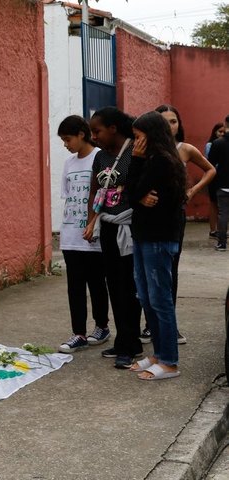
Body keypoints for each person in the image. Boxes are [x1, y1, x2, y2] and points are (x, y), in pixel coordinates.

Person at [147, 105, 215, 345]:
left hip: (174, 217)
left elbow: (210, 169)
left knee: (169, 271)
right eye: (164, 121)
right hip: (146, 218)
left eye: (174, 121)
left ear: (179, 124)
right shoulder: (146, 149)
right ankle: (149, 324)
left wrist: (193, 190)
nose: (170, 126)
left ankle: (169, 325)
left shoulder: (184, 149)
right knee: (146, 273)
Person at [127, 111, 187, 380]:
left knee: (160, 300)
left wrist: (137, 170)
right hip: (143, 236)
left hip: (158, 239)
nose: (135, 142)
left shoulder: (162, 161)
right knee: (146, 297)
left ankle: (170, 362)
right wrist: (139, 196)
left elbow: (133, 190)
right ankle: (158, 354)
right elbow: (132, 194)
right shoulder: (151, 159)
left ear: (151, 135)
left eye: (138, 137)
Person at [83, 107, 143, 369]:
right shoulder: (100, 157)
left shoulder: (135, 152)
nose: (93, 136)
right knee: (113, 286)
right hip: (107, 227)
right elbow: (95, 190)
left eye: (97, 131)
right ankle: (124, 340)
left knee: (128, 287)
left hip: (129, 228)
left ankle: (130, 346)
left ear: (113, 128)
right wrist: (91, 220)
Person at [56, 115, 110, 353]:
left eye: (68, 139)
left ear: (81, 134)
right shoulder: (69, 163)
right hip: (70, 235)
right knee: (74, 286)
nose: (66, 144)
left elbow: (105, 196)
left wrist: (93, 222)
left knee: (97, 283)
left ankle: (102, 326)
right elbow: (68, 196)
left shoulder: (100, 158)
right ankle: (78, 333)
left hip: (93, 235)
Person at [209, 115, 229, 252]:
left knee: (223, 214)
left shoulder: (218, 143)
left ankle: (222, 243)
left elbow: (210, 164)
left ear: (225, 124)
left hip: (222, 183)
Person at [206, 122, 226, 238]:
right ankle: (213, 230)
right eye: (220, 131)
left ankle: (221, 230)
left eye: (223, 132)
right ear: (215, 132)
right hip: (214, 177)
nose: (222, 134)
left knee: (222, 206)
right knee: (214, 203)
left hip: (222, 177)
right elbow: (210, 162)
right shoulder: (210, 145)